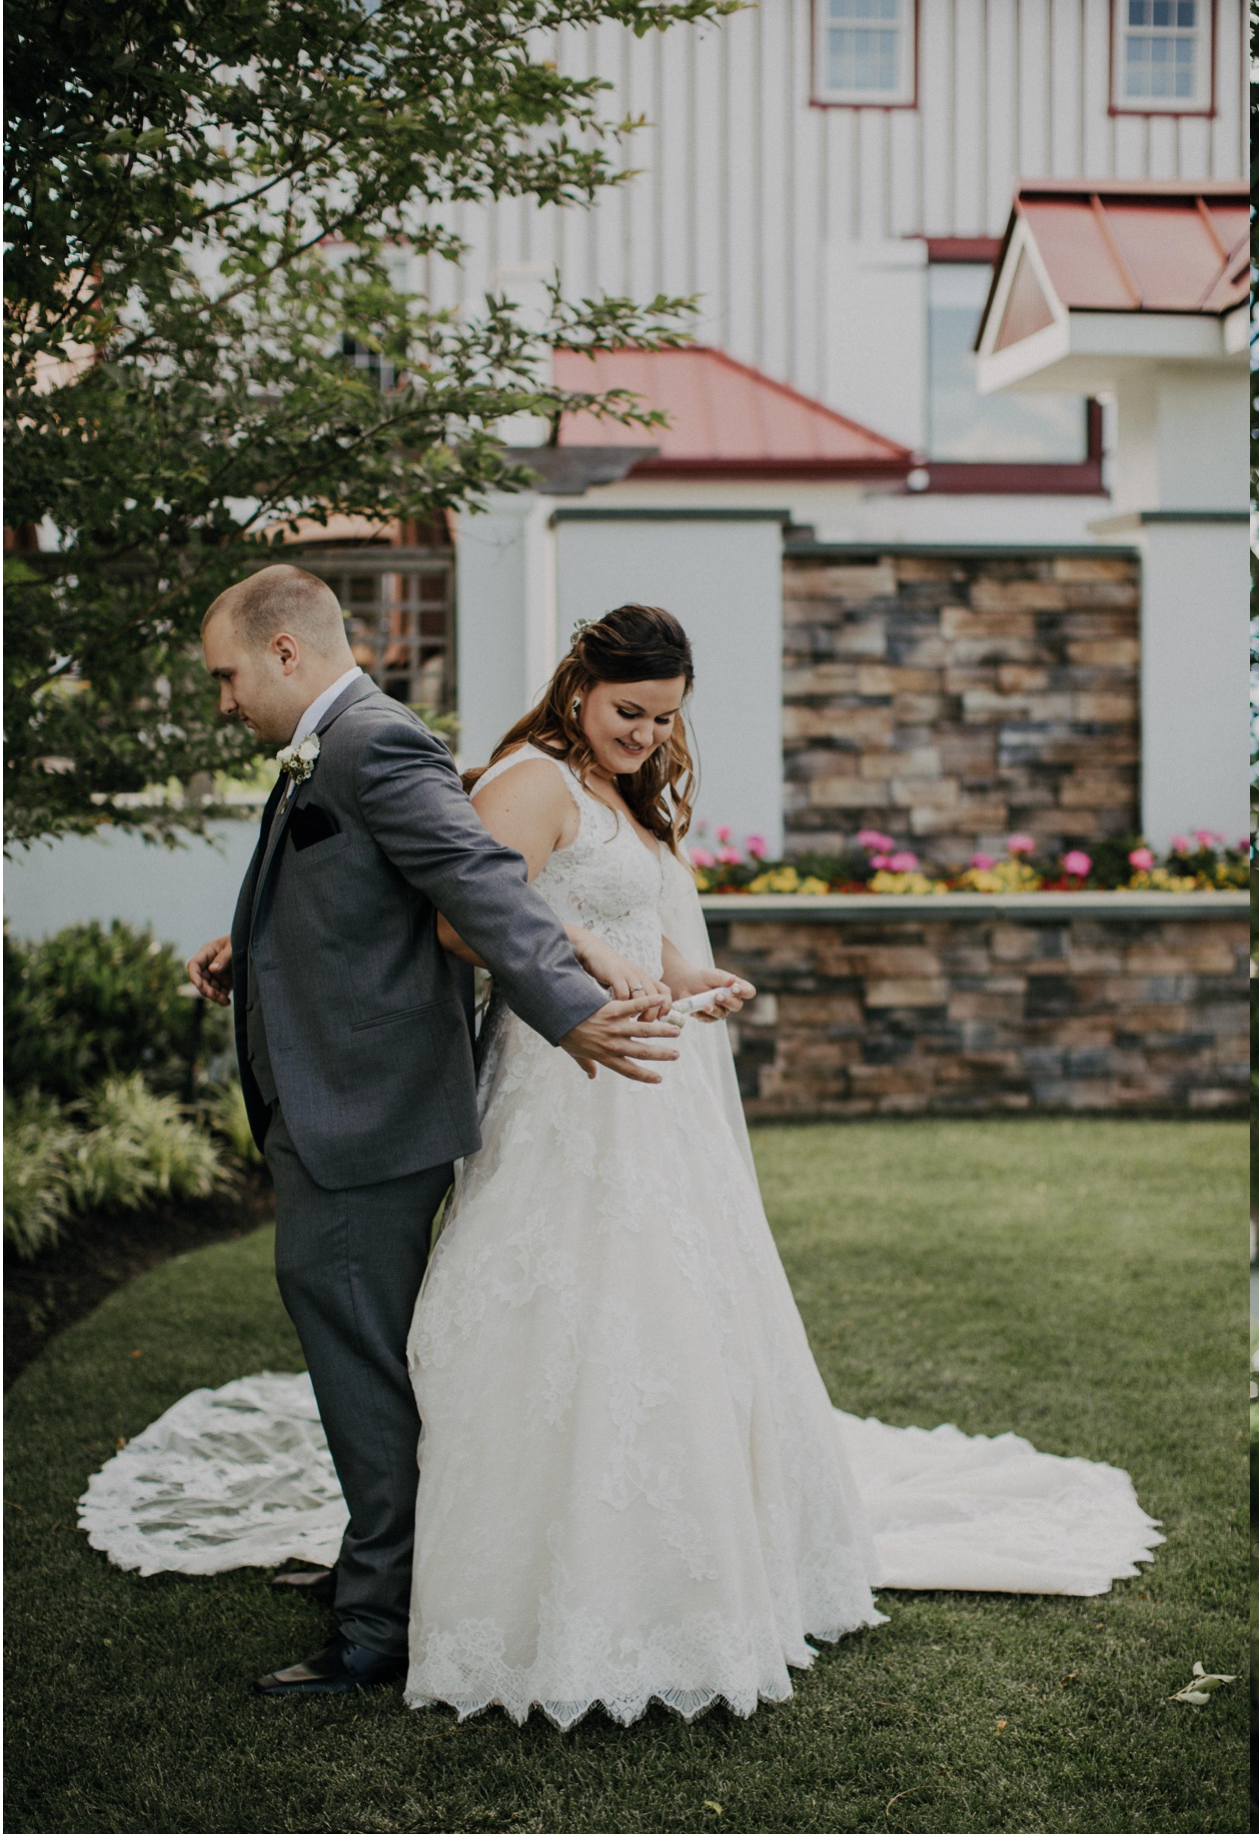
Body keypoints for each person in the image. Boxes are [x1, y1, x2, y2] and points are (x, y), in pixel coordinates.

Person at [398, 605, 1158, 1728]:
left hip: (652, 1093)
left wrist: (694, 977)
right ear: (577, 688)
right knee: (573, 1311)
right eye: (629, 712)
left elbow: (627, 917)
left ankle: (696, 1557)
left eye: (664, 719)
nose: (647, 736)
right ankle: (554, 1583)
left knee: (676, 1312)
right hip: (569, 1086)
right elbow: (471, 919)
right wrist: (593, 959)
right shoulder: (531, 778)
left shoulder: (617, 793)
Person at [185, 566, 682, 1699]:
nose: (222, 700)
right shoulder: (337, 745)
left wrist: (569, 1012)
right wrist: (242, 944)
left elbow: (478, 882)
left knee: (362, 1365)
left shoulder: (371, 743)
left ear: (284, 652)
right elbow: (356, 888)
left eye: (225, 677)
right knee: (376, 1352)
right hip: (341, 1095)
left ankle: (379, 1623)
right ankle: (386, 1562)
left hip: (364, 1110)